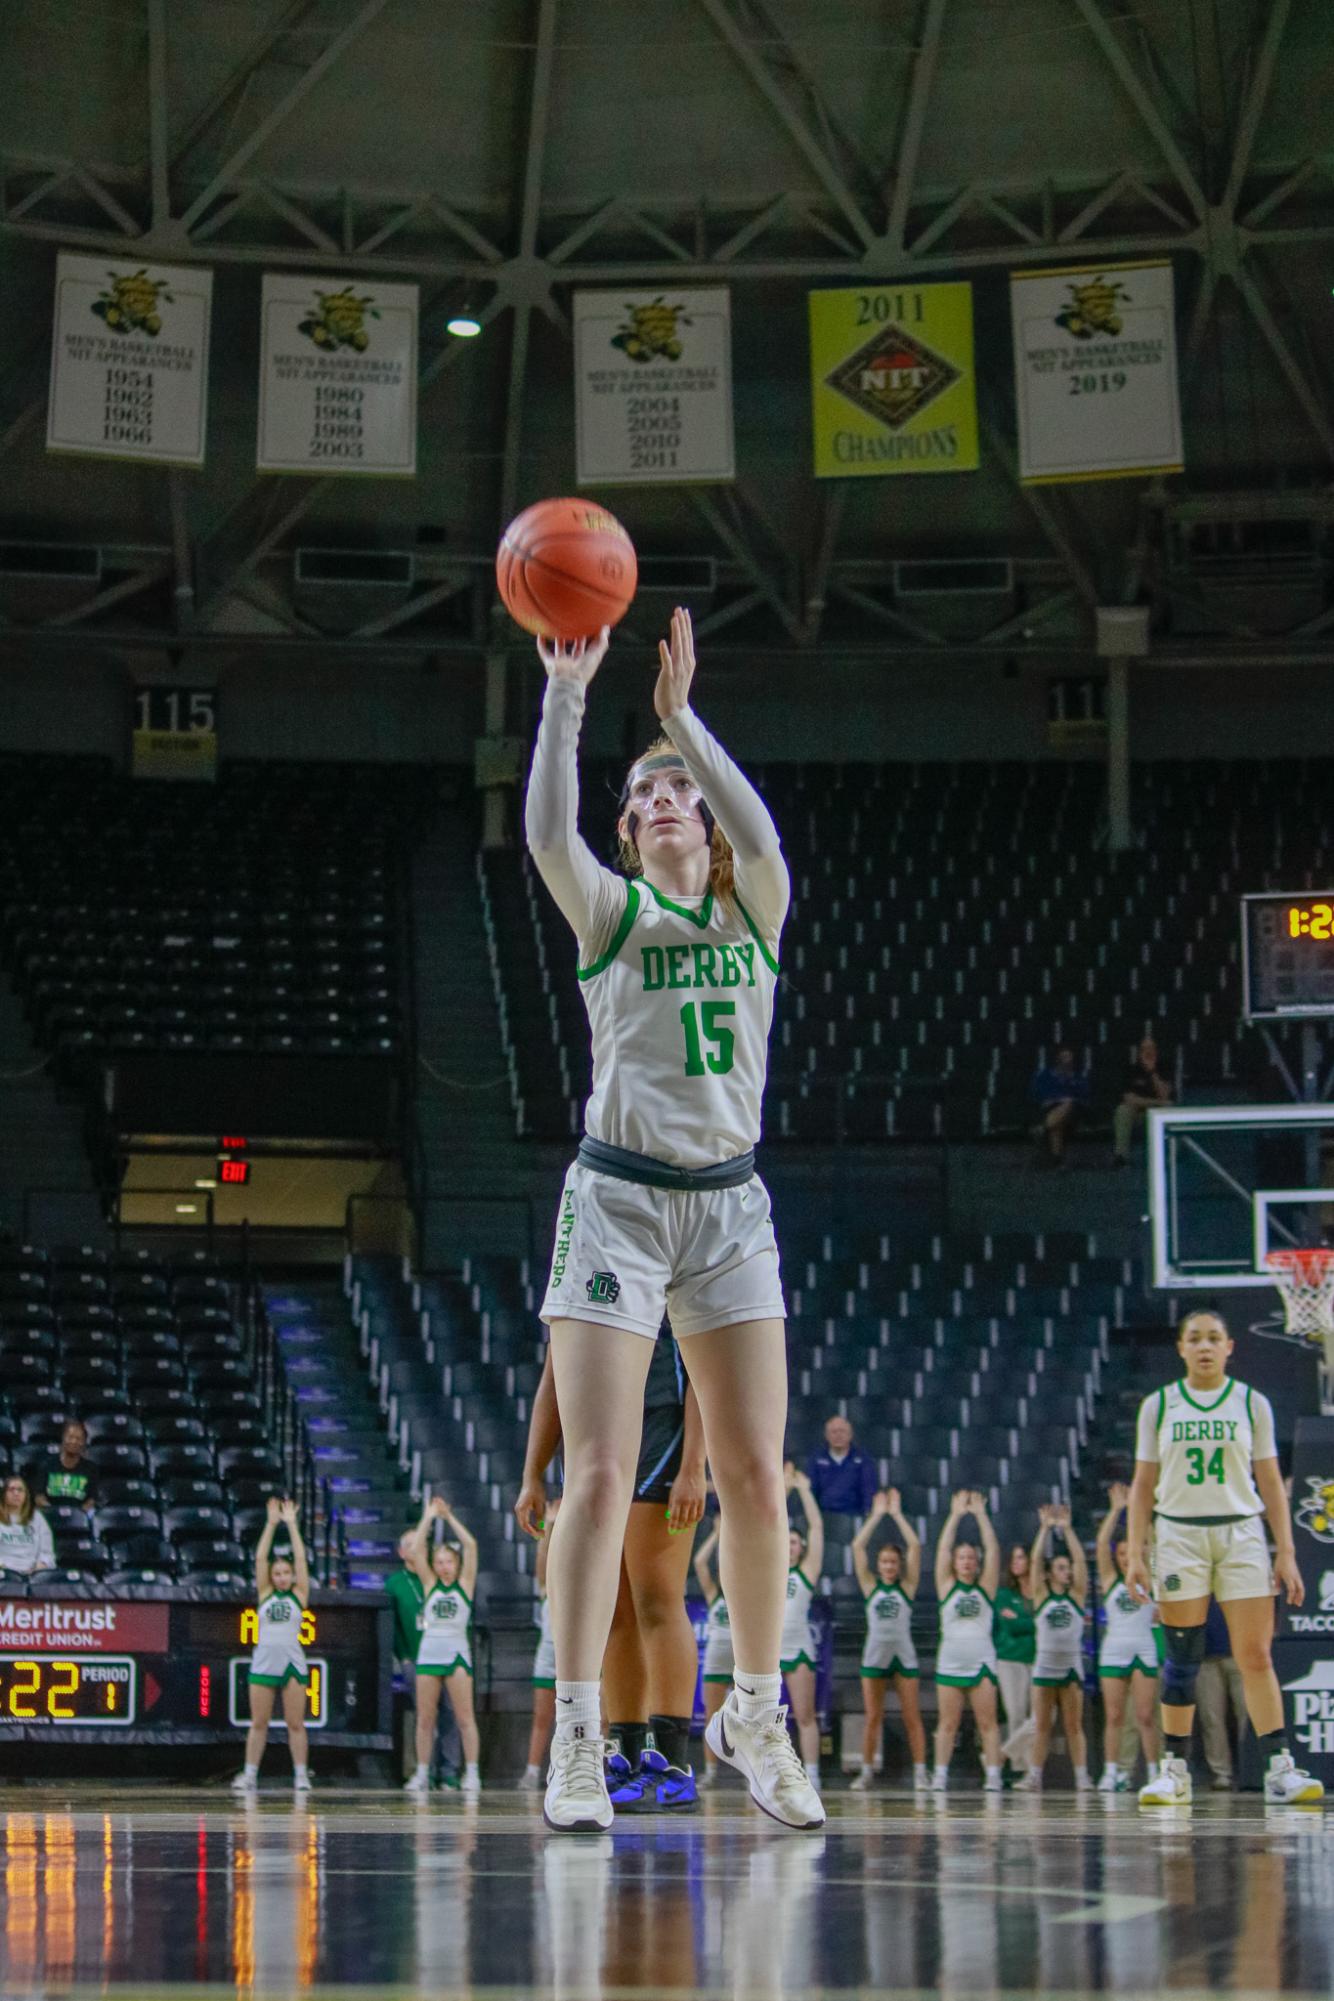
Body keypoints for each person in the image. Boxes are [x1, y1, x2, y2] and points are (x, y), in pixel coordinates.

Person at [525, 607, 821, 1834]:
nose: (658, 804)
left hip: (728, 1205)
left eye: (675, 795)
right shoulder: (612, 917)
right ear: (628, 834)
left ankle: (753, 1710)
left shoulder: (753, 907)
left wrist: (681, 726)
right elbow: (545, 829)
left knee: (754, 1475)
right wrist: (568, 701)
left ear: (700, 818)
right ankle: (579, 1737)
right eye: (641, 797)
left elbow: (758, 830)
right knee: (598, 1478)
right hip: (617, 1202)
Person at [1127, 1307, 1324, 1805]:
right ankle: (1172, 1770)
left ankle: (1280, 1769)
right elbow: (1142, 1485)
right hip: (1179, 1535)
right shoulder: (1159, 1405)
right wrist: (1135, 1551)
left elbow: (1272, 1482)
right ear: (1181, 1348)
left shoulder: (1252, 1403)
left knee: (1254, 1655)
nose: (1205, 1346)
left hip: (1241, 1533)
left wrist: (1287, 1551)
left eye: (1214, 1337)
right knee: (1183, 1656)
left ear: (1230, 1347)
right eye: (1195, 1338)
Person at [515, 1334, 706, 1811]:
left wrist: (694, 1468)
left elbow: (703, 1376)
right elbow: (553, 1378)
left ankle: (672, 1760)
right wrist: (531, 1473)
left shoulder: (663, 1270)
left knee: (657, 1597)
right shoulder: (577, 1277)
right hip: (595, 1434)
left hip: (661, 1428)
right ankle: (624, 1750)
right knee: (616, 1608)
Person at [850, 1489, 927, 1791]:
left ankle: (921, 1772)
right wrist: (877, 1516)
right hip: (874, 1656)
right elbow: (857, 1546)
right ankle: (866, 1771)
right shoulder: (870, 1586)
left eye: (893, 1562)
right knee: (873, 1717)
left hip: (904, 1655)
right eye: (884, 1562)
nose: (889, 1567)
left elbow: (916, 1546)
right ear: (878, 1565)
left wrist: (896, 1515)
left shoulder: (907, 1586)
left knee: (912, 1716)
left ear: (899, 1565)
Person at [404, 1496, 481, 1797]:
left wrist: (448, 1519)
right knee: (425, 1718)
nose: (445, 1566)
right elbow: (414, 1549)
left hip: (456, 1654)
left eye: (449, 1561)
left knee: (464, 1717)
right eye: (440, 1562)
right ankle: (422, 1773)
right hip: (429, 1654)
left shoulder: (465, 1585)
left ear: (456, 1564)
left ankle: (471, 1773)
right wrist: (428, 1517)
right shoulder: (429, 1585)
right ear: (434, 1565)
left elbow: (471, 1545)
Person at [233, 1498, 311, 1793]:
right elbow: (260, 1559)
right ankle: (250, 1774)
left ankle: (301, 1775)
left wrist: (292, 1525)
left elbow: (301, 1560)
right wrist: (271, 1523)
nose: (281, 1577)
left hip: (292, 1660)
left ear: (292, 1577)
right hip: (265, 1659)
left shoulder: (299, 1594)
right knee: (258, 1722)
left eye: (285, 1573)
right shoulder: (264, 1593)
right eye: (277, 1573)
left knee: (295, 1723)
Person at [932, 1490, 1003, 1792]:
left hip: (982, 1661)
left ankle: (994, 1776)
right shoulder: (946, 1586)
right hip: (950, 1661)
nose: (966, 1561)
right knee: (947, 1724)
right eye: (962, 1557)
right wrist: (956, 1515)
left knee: (988, 1723)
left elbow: (994, 1551)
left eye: (971, 1558)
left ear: (977, 1563)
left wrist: (982, 1516)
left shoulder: (986, 1587)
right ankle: (939, 1776)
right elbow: (942, 1549)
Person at [1095, 1482, 1160, 1793]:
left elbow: (1152, 1542)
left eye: (1128, 1552)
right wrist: (1116, 1510)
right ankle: (1110, 1772)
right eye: (1120, 1553)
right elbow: (1099, 1545)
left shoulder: (1150, 1575)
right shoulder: (1110, 1580)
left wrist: (1139, 1510)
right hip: (1113, 1651)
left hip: (1144, 1648)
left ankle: (1153, 1772)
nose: (1124, 1558)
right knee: (1115, 1716)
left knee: (1146, 1716)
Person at [1020, 1503, 1089, 1792]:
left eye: (1067, 1568)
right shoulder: (1041, 1595)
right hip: (1045, 1665)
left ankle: (1082, 1777)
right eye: (1061, 1568)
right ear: (1050, 1574)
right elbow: (1035, 1562)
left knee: (1074, 1726)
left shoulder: (1077, 1595)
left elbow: (1081, 1562)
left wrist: (1068, 1530)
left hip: (1071, 1666)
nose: (1068, 1571)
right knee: (1042, 1725)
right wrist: (1045, 1528)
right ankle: (1034, 1775)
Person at [780, 1464, 825, 1794]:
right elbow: (763, 1523)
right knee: (764, 1721)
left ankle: (812, 1774)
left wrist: (804, 1490)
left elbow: (818, 1527)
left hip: (798, 1650)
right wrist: (782, 1490)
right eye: (788, 1541)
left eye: (797, 1542)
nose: (792, 1545)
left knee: (805, 1714)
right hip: (768, 1652)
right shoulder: (768, 1567)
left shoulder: (805, 1573)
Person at [520, 1502, 559, 1792]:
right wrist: (548, 1525)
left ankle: (588, 1769)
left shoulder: (586, 1589)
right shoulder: (549, 1587)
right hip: (548, 1655)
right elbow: (542, 1563)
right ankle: (532, 1772)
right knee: (541, 1717)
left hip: (582, 1659)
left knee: (595, 1717)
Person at [385, 1524, 427, 1779]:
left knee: (448, 1716)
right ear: (401, 1552)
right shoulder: (395, 1583)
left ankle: (448, 1773)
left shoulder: (434, 1577)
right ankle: (415, 1770)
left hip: (442, 1658)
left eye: (421, 1543)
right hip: (413, 1659)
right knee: (419, 1714)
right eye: (411, 1544)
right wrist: (403, 1656)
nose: (418, 1548)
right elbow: (391, 1627)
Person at [693, 1520, 733, 1786]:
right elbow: (699, 1562)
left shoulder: (745, 1593)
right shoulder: (713, 1595)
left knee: (747, 1719)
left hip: (740, 1662)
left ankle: (753, 1773)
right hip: (716, 1662)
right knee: (711, 1716)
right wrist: (717, 1535)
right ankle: (710, 1771)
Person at [1195, 1598, 1246, 1791]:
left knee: (1247, 1714)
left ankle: (1250, 1770)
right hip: (1205, 1656)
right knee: (1211, 1717)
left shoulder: (1238, 1573)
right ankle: (1221, 1773)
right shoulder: (1196, 1576)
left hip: (1241, 1652)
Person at [995, 1540, 1036, 1774]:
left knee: (1043, 1718)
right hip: (1010, 1659)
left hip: (1039, 1659)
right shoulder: (1003, 1594)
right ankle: (1024, 1771)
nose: (1016, 1563)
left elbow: (1043, 1624)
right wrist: (1032, 1623)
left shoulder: (1042, 1591)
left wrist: (1022, 1622)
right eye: (1013, 1559)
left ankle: (1004, 1753)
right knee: (1016, 1714)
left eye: (1021, 1557)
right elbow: (1010, 1628)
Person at [1112, 1036, 1172, 1166]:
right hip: (1137, 1114)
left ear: (1156, 1050)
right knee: (1122, 1110)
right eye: (1144, 1049)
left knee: (1166, 1110)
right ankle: (1121, 1157)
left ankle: (1164, 1158)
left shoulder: (1165, 1068)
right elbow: (1129, 1099)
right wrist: (1157, 1102)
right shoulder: (1131, 1069)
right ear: (1139, 1052)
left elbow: (1165, 1095)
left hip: (1157, 1114)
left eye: (1151, 1048)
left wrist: (1152, 1072)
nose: (1148, 1052)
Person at [805, 1414, 877, 1518]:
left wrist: (867, 1515)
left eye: (842, 1431)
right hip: (823, 1517)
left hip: (855, 1517)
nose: (838, 1435)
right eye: (834, 1432)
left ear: (850, 1434)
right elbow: (811, 1490)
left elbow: (868, 1491)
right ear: (826, 1435)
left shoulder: (864, 1459)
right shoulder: (816, 1459)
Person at [1029, 1045, 1089, 1168]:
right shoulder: (1045, 1075)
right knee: (1058, 1124)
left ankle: (1042, 1128)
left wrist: (1068, 1101)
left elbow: (1085, 1098)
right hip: (1050, 1109)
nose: (1068, 1060)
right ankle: (1057, 1160)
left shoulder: (1079, 1078)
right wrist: (1058, 1099)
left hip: (1073, 1111)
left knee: (1068, 1104)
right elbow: (1037, 1095)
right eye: (1065, 1057)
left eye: (1070, 1057)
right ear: (1057, 1059)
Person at [29, 1419, 99, 1512]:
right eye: (70, 1437)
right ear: (63, 1438)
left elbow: (91, 1500)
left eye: (79, 1438)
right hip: (50, 1514)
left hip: (79, 1517)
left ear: (84, 1442)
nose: (74, 1441)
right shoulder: (47, 1465)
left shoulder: (91, 1468)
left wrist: (78, 1514)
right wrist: (53, 1511)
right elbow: (39, 1497)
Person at [0, 1473, 55, 1575]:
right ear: (3, 1494)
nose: (16, 1493)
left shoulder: (37, 1518)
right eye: (11, 1489)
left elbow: (46, 1552)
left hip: (33, 1572)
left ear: (26, 1495)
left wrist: (38, 1568)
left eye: (20, 1490)